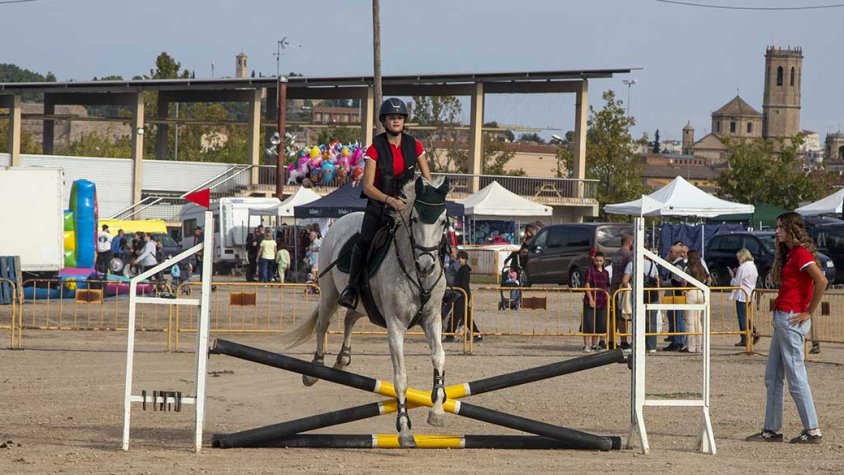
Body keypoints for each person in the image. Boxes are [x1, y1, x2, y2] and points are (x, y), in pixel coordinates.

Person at [338, 97, 433, 309]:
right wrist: (390, 200)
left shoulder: (415, 146)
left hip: (407, 207)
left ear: (404, 121)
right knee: (364, 241)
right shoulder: (374, 148)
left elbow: (428, 179)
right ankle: (351, 288)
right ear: (384, 121)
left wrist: (424, 199)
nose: (396, 121)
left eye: (400, 117)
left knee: (431, 237)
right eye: (392, 118)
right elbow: (367, 187)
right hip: (380, 205)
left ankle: (439, 288)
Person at [747, 212, 826, 444]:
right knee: (773, 375)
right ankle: (772, 429)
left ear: (792, 228)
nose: (777, 231)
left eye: (781, 227)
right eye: (777, 227)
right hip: (783, 318)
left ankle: (812, 430)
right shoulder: (792, 254)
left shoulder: (801, 253)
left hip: (792, 319)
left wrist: (808, 311)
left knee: (795, 375)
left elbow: (821, 281)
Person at [621, 254, 661, 353]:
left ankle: (637, 344)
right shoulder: (653, 265)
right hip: (652, 295)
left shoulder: (631, 264)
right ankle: (651, 346)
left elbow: (625, 281)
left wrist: (629, 287)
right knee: (652, 321)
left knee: (637, 321)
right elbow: (657, 281)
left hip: (638, 295)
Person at [448, 250, 482, 343]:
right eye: (459, 258)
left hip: (462, 295)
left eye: (462, 258)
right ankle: (477, 334)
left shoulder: (465, 270)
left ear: (466, 259)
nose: (460, 260)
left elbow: (463, 284)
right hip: (461, 294)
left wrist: (457, 289)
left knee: (455, 315)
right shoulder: (461, 269)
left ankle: (449, 335)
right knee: (466, 316)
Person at [729, 248, 759, 347]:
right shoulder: (753, 266)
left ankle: (744, 338)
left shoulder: (743, 267)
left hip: (742, 294)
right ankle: (752, 331)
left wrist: (732, 277)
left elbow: (737, 282)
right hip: (750, 293)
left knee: (742, 317)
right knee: (746, 316)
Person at [582, 252, 610, 353]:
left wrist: (608, 298)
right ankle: (586, 345)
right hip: (591, 300)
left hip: (602, 301)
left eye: (601, 261)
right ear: (594, 260)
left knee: (600, 323)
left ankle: (595, 344)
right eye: (597, 260)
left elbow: (607, 286)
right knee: (588, 322)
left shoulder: (606, 272)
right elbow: (587, 285)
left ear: (604, 261)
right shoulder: (590, 271)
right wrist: (590, 299)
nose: (599, 263)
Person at [610, 233, 633, 351]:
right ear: (630, 242)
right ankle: (624, 341)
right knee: (623, 314)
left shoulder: (616, 254)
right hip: (622, 286)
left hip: (613, 284)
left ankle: (610, 340)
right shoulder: (628, 255)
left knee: (612, 315)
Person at [684, 249, 710, 354]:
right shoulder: (702, 268)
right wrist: (705, 286)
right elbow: (709, 279)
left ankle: (691, 346)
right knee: (698, 321)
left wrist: (683, 289)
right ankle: (699, 346)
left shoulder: (688, 268)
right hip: (700, 292)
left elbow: (684, 281)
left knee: (690, 321)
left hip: (691, 292)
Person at [663, 242, 688, 352]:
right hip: (675, 295)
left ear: (677, 253)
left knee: (678, 318)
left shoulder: (678, 265)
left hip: (677, 295)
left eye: (671, 252)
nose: (669, 254)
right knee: (675, 318)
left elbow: (676, 281)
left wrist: (663, 283)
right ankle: (676, 340)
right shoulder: (675, 263)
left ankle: (679, 341)